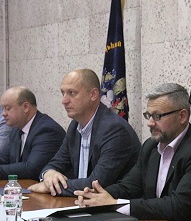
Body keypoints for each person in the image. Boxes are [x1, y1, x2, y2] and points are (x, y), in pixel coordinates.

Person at [74, 83, 191, 221]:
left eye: (157, 116)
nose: (150, 123)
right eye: (148, 115)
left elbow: (178, 205)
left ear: (182, 116)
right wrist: (98, 196)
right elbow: (129, 187)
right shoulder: (150, 146)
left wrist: (115, 204)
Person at [29, 69, 140, 197]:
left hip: (114, 206)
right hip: (83, 203)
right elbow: (55, 163)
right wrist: (48, 173)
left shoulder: (114, 129)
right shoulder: (75, 126)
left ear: (93, 94)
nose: (64, 100)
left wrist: (49, 187)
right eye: (63, 93)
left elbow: (96, 184)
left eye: (72, 93)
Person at [0, 86, 65, 181]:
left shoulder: (46, 130)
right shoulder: (16, 128)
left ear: (25, 107)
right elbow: (4, 158)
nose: (3, 114)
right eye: (3, 109)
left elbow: (31, 168)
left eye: (8, 108)